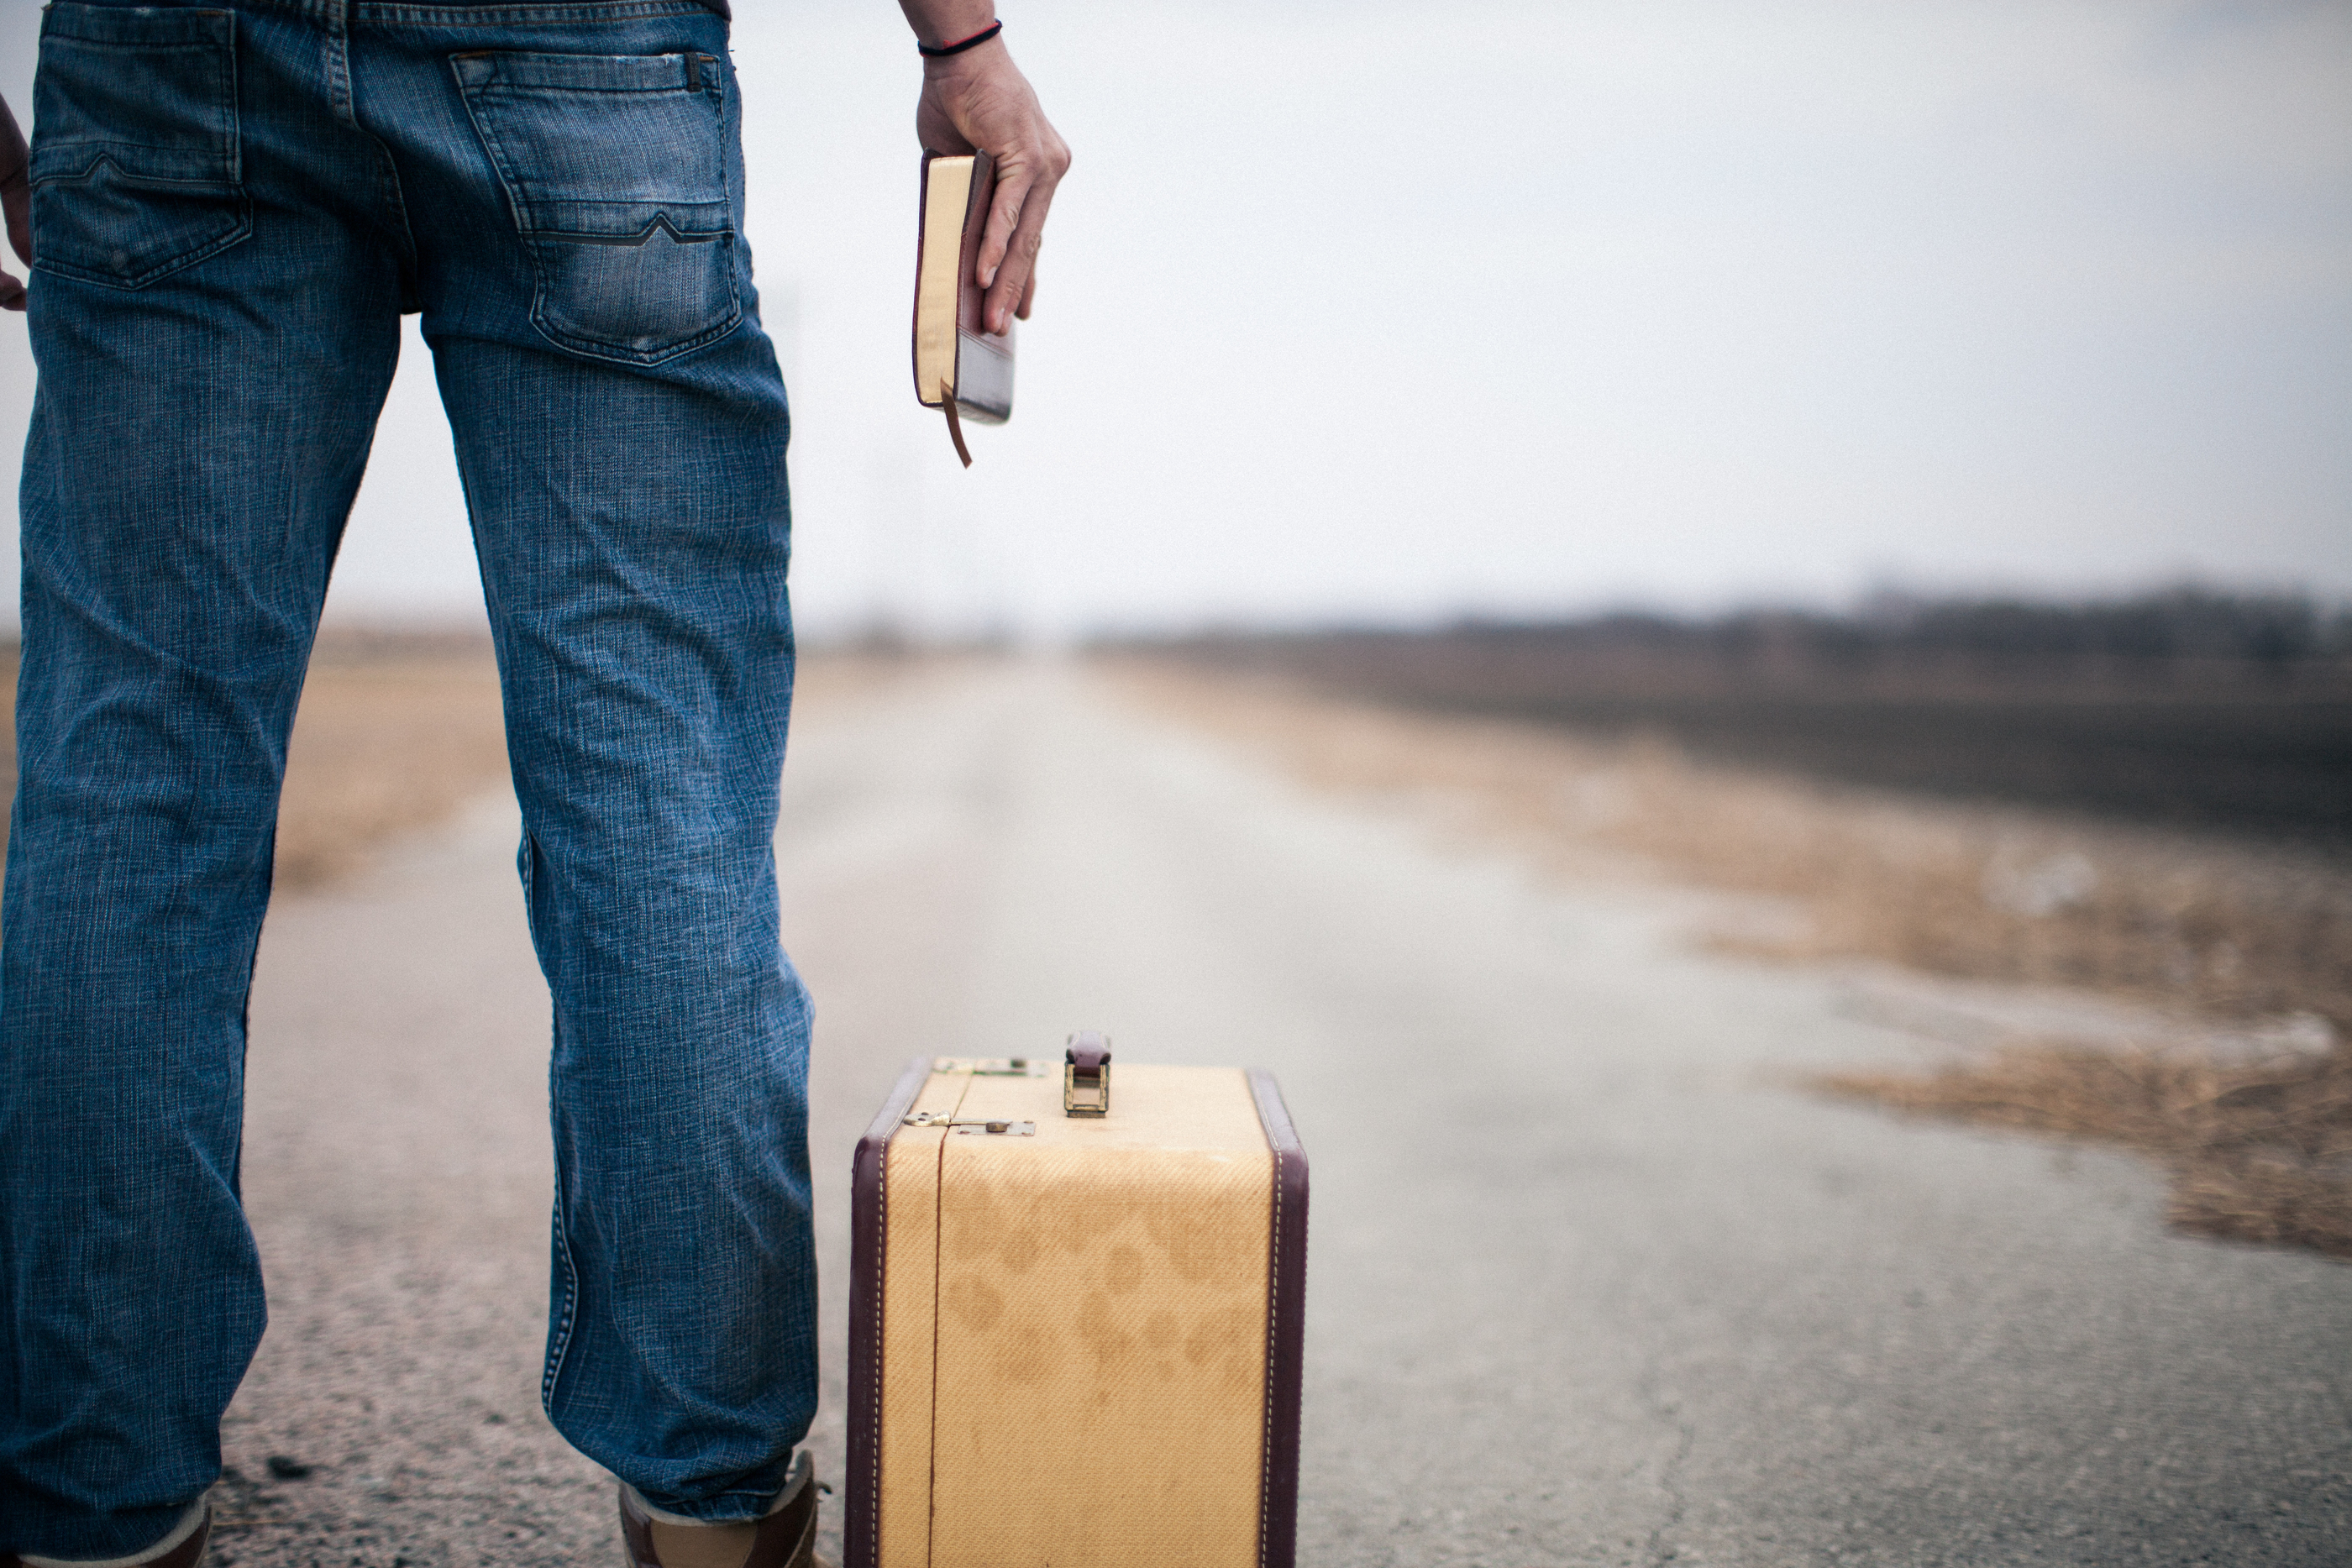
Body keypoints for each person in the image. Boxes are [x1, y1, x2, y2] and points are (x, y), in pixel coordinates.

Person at [0, 3, 1067, 1565]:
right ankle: (709, 1500)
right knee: (657, 788)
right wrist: (959, 39)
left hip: (171, 52)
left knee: (131, 786)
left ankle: (95, 1503)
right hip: (591, 56)